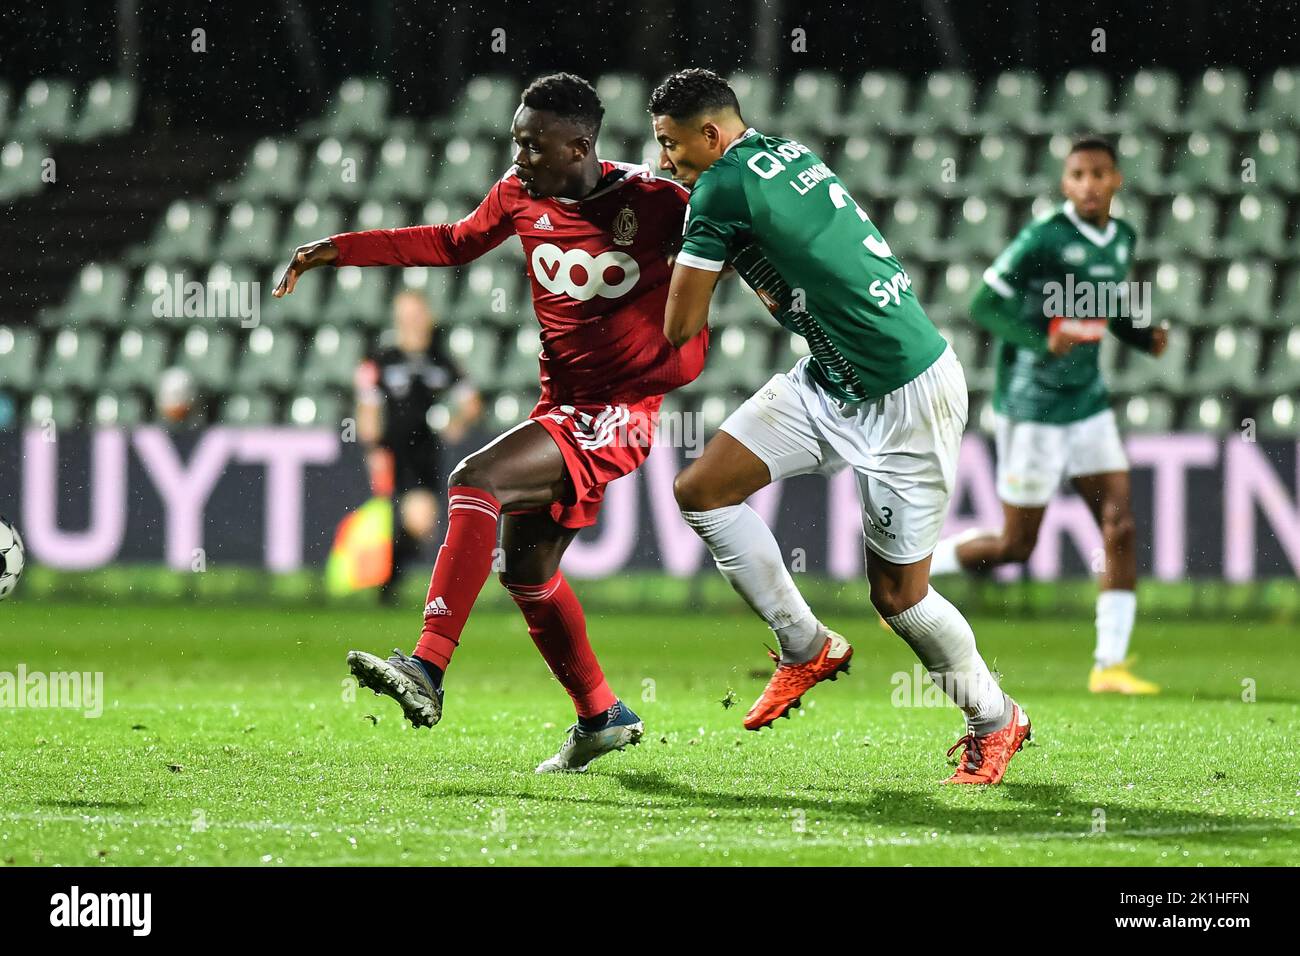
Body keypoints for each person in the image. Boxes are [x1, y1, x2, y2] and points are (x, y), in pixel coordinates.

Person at [273, 73, 708, 773]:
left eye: (534, 147)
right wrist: (341, 247)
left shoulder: (658, 202)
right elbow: (450, 243)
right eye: (516, 144)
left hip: (620, 412)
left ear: (580, 144)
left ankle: (427, 667)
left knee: (474, 479)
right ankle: (601, 715)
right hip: (562, 407)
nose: (520, 159)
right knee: (529, 571)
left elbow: (742, 246)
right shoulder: (518, 195)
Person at [651, 68, 1029, 785]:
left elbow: (680, 326)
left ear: (710, 132)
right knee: (703, 490)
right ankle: (806, 646)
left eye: (671, 146)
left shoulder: (721, 187)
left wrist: (662, 255)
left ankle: (995, 718)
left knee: (898, 598)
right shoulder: (785, 153)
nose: (666, 161)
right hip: (831, 378)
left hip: (903, 394)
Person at [931, 137, 1168, 695]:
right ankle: (916, 573)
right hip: (1032, 406)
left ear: (1117, 181)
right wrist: (1041, 339)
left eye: (1100, 174)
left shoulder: (1123, 237)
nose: (1089, 184)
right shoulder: (1044, 237)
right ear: (1066, 184)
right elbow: (984, 305)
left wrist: (1141, 336)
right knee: (1016, 547)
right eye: (1079, 174)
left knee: (1121, 526)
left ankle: (1109, 665)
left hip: (1088, 404)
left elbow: (1103, 305)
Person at [356, 289, 482, 602]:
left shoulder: (442, 360)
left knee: (420, 523)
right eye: (404, 316)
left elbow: (472, 403)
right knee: (404, 518)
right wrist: (372, 450)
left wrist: (456, 422)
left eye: (415, 315)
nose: (410, 322)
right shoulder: (382, 359)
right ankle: (386, 582)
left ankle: (388, 581)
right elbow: (368, 405)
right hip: (392, 451)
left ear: (428, 318)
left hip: (426, 452)